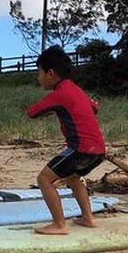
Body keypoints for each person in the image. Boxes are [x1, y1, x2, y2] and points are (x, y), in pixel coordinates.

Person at [27, 45, 106, 235]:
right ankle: (88, 218)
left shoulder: (59, 94)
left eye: (39, 73)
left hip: (81, 149)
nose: (38, 78)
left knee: (44, 179)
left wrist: (55, 107)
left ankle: (59, 225)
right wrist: (60, 109)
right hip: (99, 150)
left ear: (51, 73)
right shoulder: (76, 90)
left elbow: (31, 113)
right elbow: (94, 108)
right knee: (72, 177)